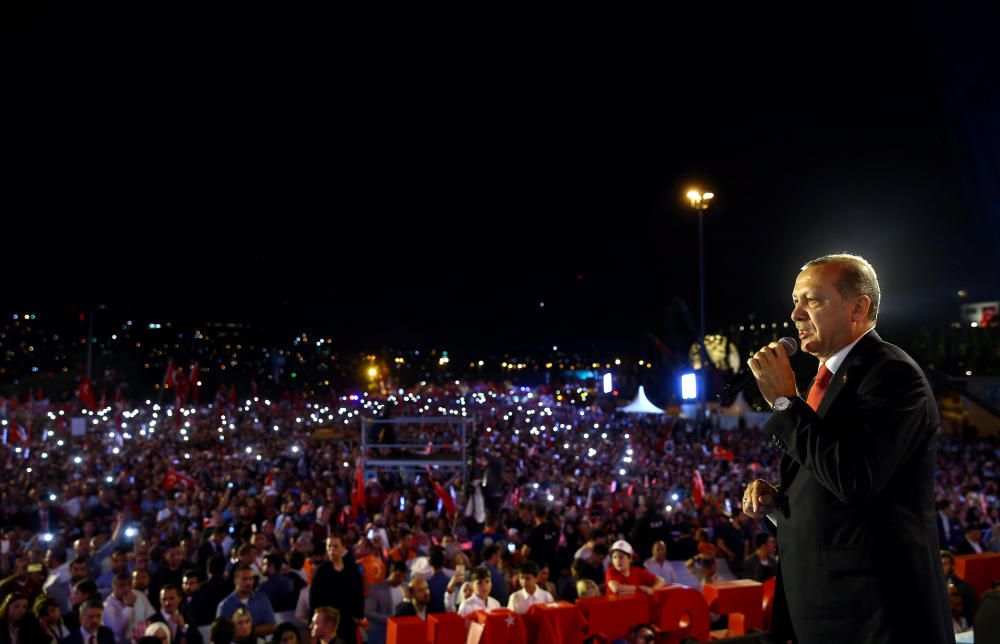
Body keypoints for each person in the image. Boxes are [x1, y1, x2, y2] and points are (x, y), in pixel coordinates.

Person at [742, 253, 952, 643]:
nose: (795, 314)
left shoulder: (891, 374)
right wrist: (781, 502)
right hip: (831, 610)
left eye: (812, 300)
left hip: (875, 615)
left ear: (858, 308)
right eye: (795, 300)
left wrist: (786, 405)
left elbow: (855, 479)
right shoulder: (829, 381)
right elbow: (829, 474)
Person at [308, 535, 362, 644]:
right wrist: (313, 624)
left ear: (343, 547)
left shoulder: (352, 568)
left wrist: (358, 615)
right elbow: (314, 600)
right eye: (329, 546)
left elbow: (358, 593)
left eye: (335, 546)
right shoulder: (320, 571)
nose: (332, 549)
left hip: (348, 621)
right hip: (328, 624)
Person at [216, 566, 275, 639]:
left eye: (251, 578)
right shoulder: (225, 605)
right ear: (235, 581)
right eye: (244, 579)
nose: (248, 582)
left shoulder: (262, 600)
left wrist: (247, 630)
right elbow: (220, 634)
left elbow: (272, 627)